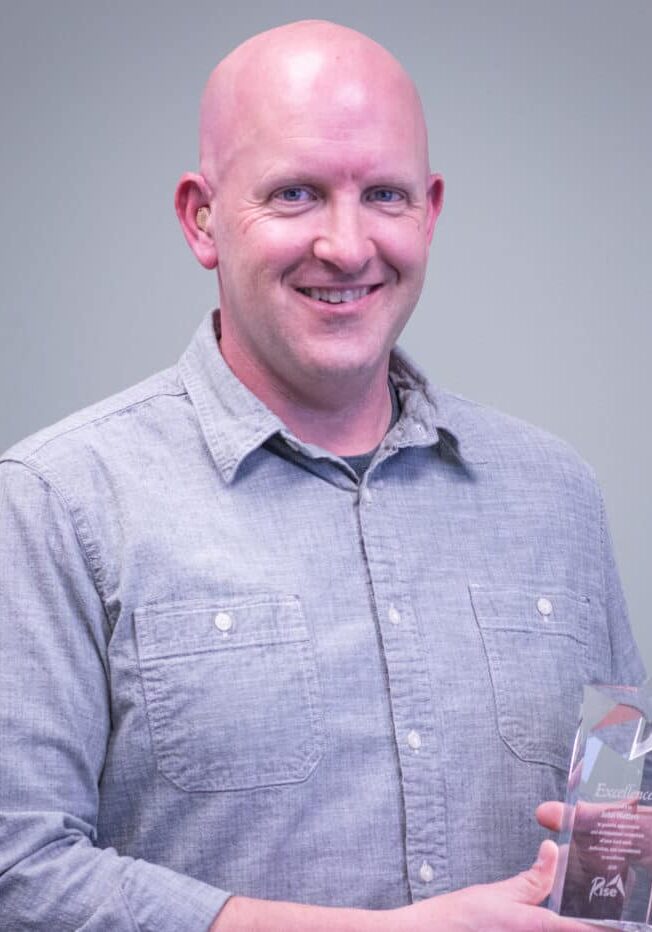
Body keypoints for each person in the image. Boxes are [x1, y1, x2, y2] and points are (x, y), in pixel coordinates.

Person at [0, 19, 643, 931]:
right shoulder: (56, 502)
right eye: (296, 194)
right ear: (202, 217)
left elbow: (618, 827)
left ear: (431, 209)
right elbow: (19, 873)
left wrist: (618, 864)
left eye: (384, 194)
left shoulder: (560, 496)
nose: (347, 246)